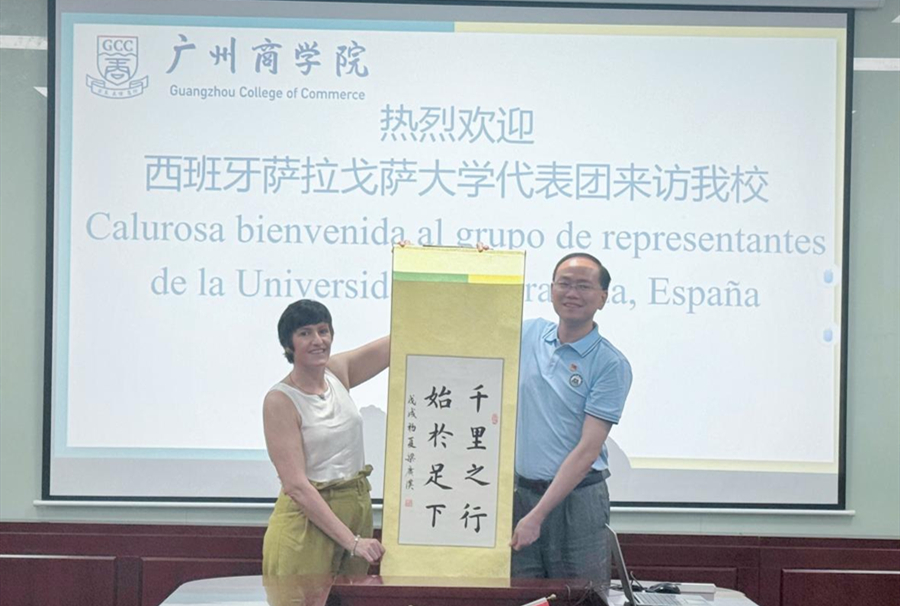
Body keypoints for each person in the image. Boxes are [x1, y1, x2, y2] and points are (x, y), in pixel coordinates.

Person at [510, 252, 632, 589]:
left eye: (583, 286)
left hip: (577, 502)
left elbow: (588, 451)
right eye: (564, 284)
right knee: (523, 596)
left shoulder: (610, 363)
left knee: (579, 596)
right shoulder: (529, 334)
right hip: (522, 495)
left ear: (603, 298)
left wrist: (538, 516)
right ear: (551, 290)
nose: (572, 293)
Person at [262, 299, 388, 577]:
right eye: (305, 333)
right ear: (288, 345)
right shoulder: (279, 400)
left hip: (356, 511)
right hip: (306, 524)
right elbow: (296, 486)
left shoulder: (337, 372)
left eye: (323, 331)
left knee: (351, 596)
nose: (318, 340)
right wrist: (352, 542)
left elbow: (396, 343)